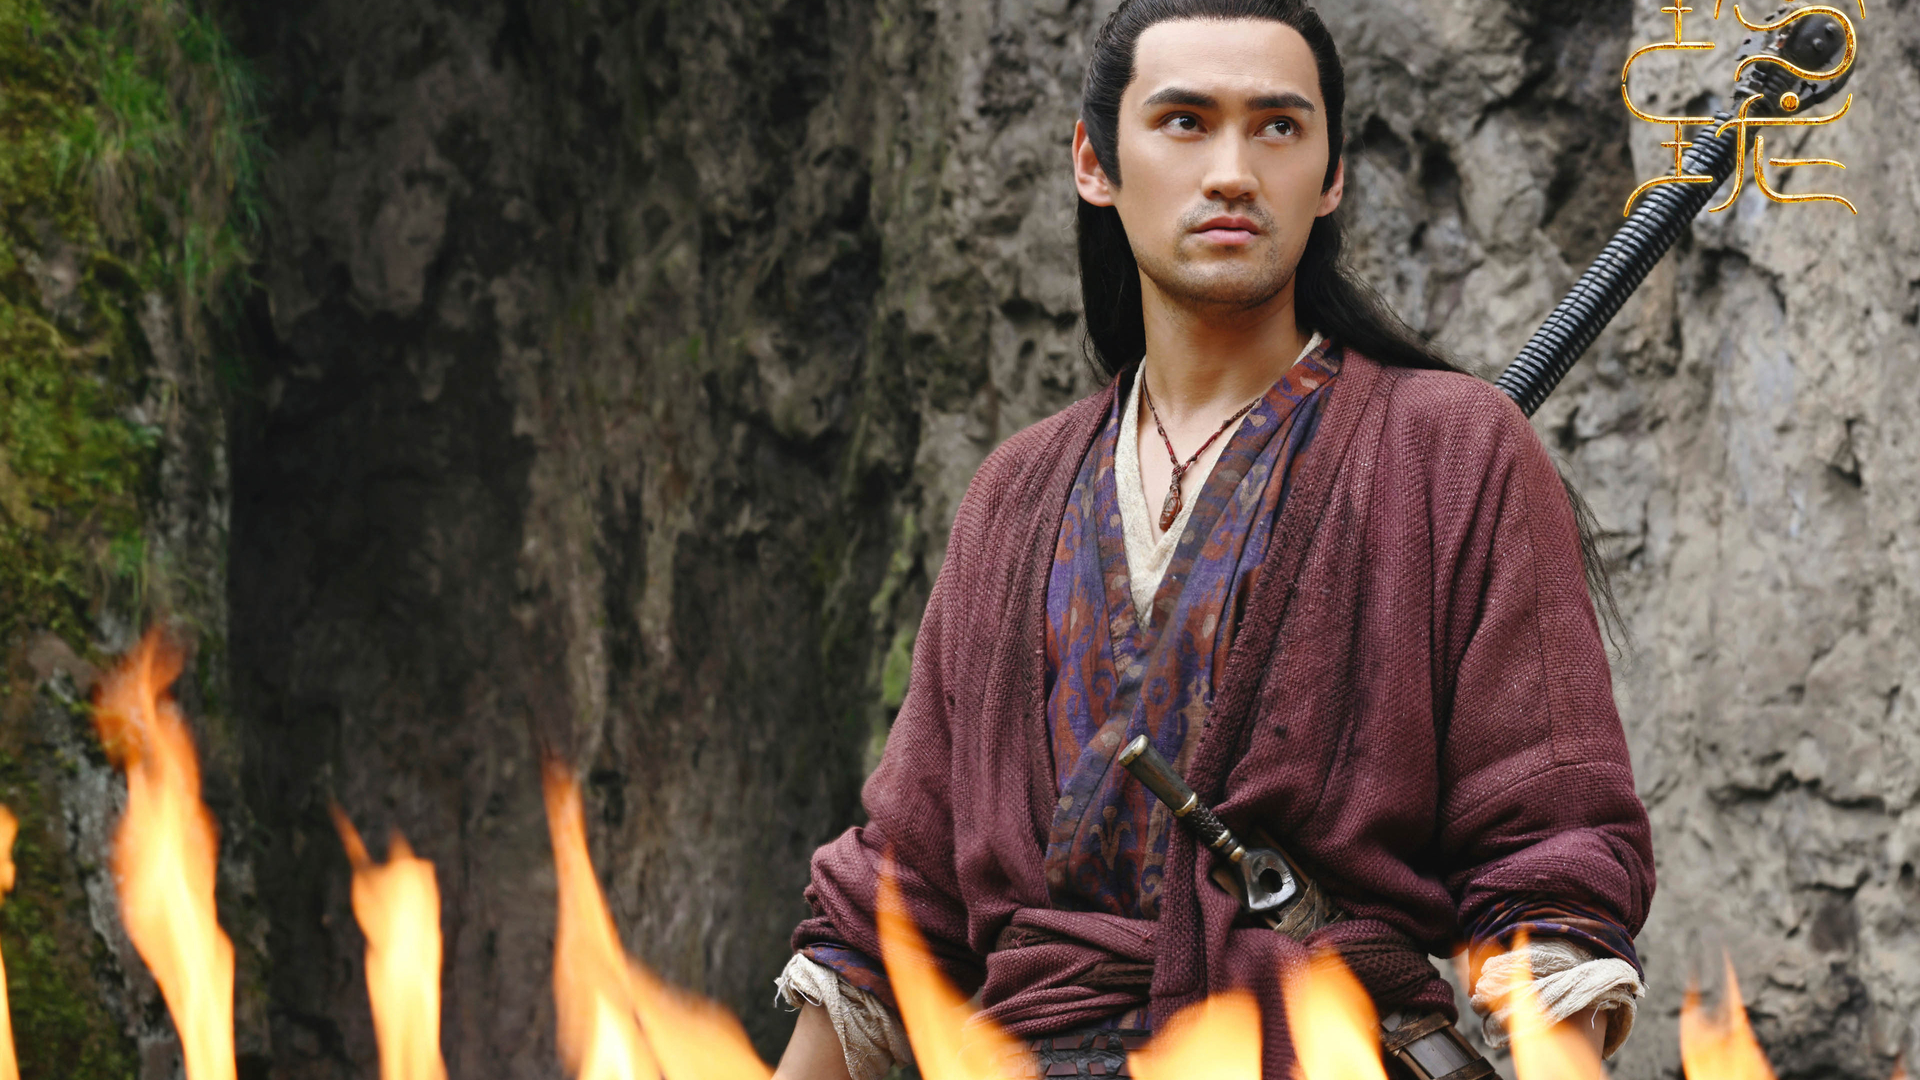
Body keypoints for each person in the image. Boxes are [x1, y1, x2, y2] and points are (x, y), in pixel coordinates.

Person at [772, 3, 1653, 1078]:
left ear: (1331, 175)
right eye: (1184, 122)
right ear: (1095, 163)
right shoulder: (1017, 491)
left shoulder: (1452, 446)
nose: (1233, 172)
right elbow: (895, 895)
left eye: (1278, 127)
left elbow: (1547, 839)